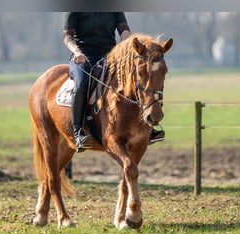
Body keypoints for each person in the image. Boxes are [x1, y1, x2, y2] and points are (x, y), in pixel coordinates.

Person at [63, 12, 165, 152]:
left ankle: (148, 127)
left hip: (110, 55)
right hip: (83, 56)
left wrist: (125, 45)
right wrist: (76, 51)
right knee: (81, 85)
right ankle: (78, 132)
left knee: (134, 82)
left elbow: (124, 30)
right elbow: (67, 35)